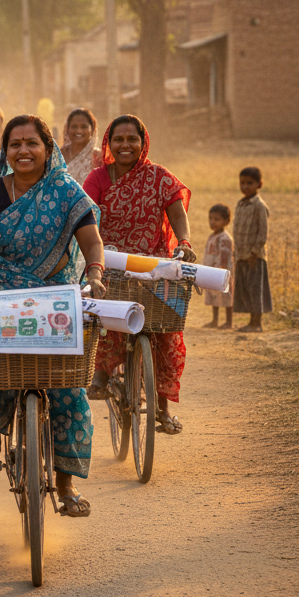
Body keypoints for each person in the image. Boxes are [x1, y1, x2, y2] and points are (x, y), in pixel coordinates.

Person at [0, 115, 106, 518]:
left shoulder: (66, 191)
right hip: (3, 292)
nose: (23, 150)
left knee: (69, 391)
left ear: (47, 148)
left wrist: (95, 276)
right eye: (15, 144)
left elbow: (91, 242)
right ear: (6, 152)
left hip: (56, 299)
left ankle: (66, 484)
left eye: (31, 143)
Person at [83, 114, 194, 435]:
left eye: (132, 139)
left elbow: (177, 212)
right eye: (118, 139)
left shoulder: (159, 177)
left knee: (165, 333)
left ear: (143, 143)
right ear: (108, 143)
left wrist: (184, 242)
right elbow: (87, 214)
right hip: (112, 263)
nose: (125, 145)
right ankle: (101, 374)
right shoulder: (98, 178)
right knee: (105, 318)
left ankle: (162, 409)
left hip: (154, 267)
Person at [233, 167, 271, 333]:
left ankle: (257, 323)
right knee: (246, 288)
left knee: (256, 289)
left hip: (254, 256)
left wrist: (255, 252)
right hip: (241, 254)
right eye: (242, 183)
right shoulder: (240, 204)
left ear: (259, 184)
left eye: (250, 183)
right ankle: (251, 322)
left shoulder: (259, 206)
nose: (245, 187)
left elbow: (263, 232)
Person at [202, 203, 235, 329]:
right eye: (210, 219)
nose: (212, 222)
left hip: (222, 272)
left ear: (226, 221)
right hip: (212, 271)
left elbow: (224, 257)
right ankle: (214, 320)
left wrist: (220, 269)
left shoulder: (225, 238)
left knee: (226, 296)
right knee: (213, 295)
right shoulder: (213, 236)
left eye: (217, 219)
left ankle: (229, 322)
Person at [60, 108, 103, 185]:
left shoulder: (99, 158)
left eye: (84, 127)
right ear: (67, 129)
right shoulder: (59, 155)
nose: (79, 131)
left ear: (92, 130)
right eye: (74, 127)